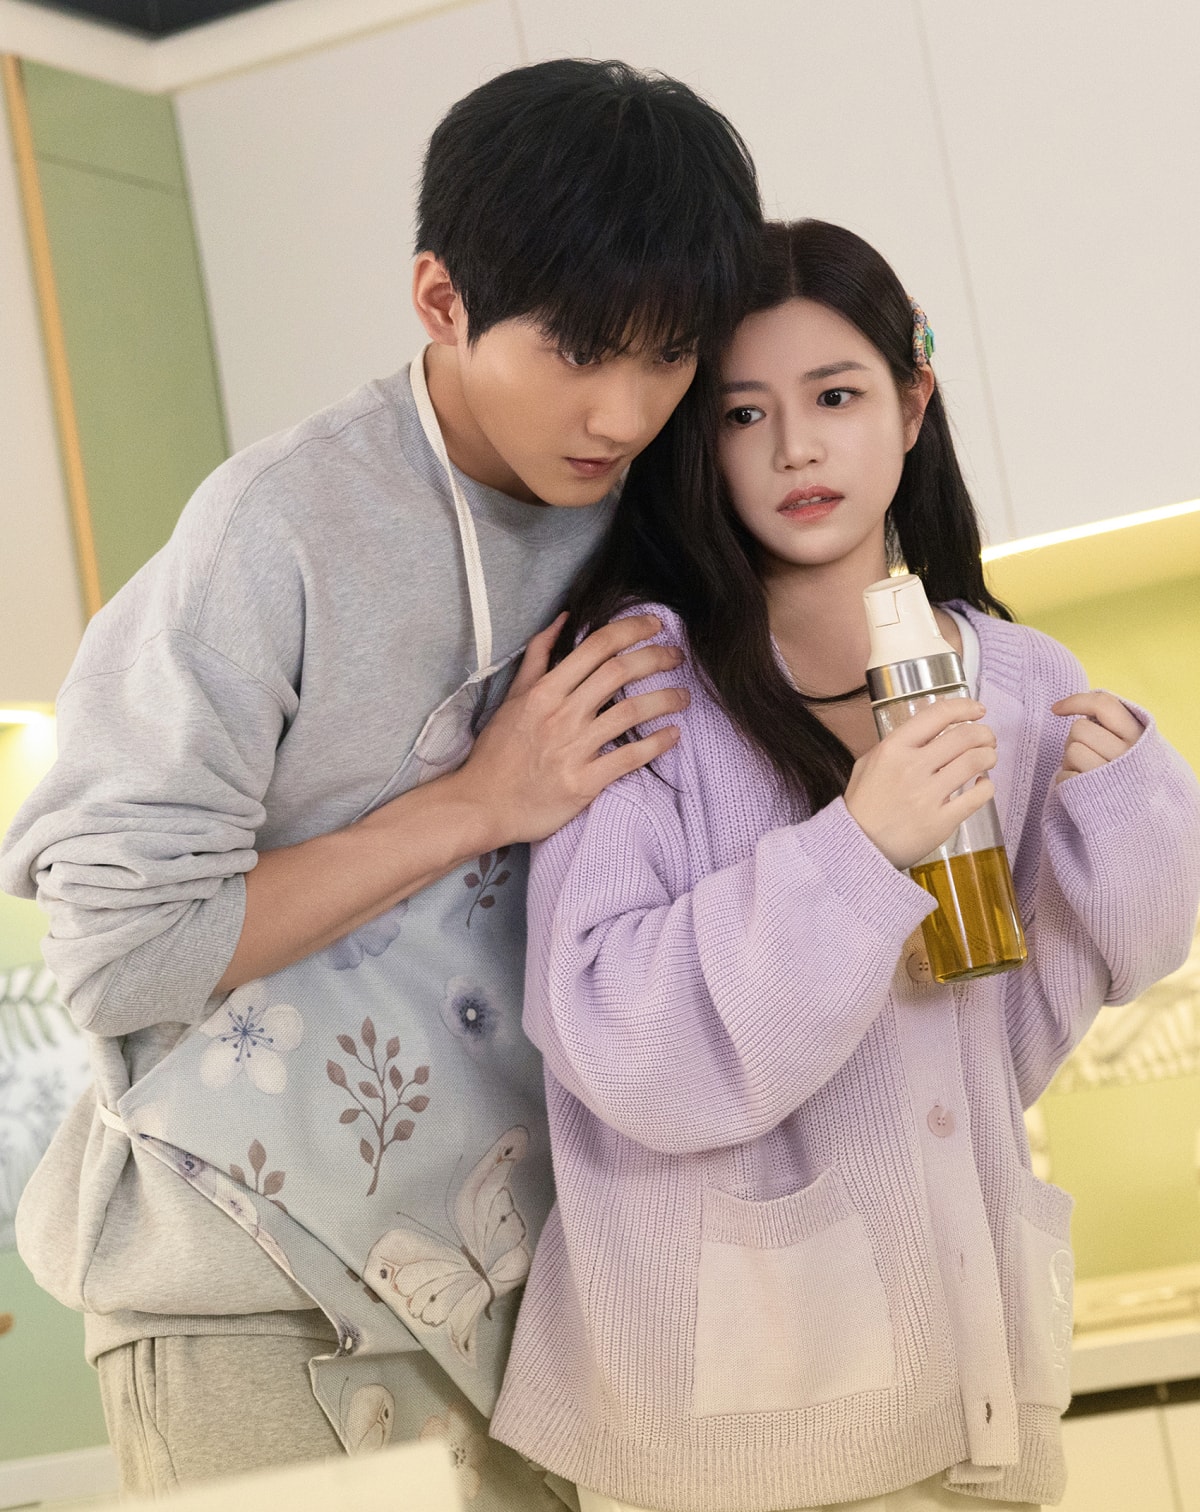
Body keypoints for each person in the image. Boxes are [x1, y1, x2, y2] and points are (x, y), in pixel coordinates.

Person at [0, 61, 761, 1504]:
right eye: (577, 350)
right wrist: (478, 802)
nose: (620, 410)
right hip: (250, 1288)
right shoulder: (279, 530)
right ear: (440, 300)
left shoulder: (662, 511)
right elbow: (120, 956)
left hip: (535, 1302)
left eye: (667, 358)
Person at [489, 219, 1200, 1510]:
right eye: (742, 414)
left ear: (911, 405)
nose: (795, 448)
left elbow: (1034, 1011)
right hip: (722, 1436)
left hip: (974, 1392)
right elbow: (610, 1034)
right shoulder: (641, 682)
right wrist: (858, 851)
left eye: (835, 397)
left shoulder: (1016, 678)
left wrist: (1139, 816)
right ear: (696, 444)